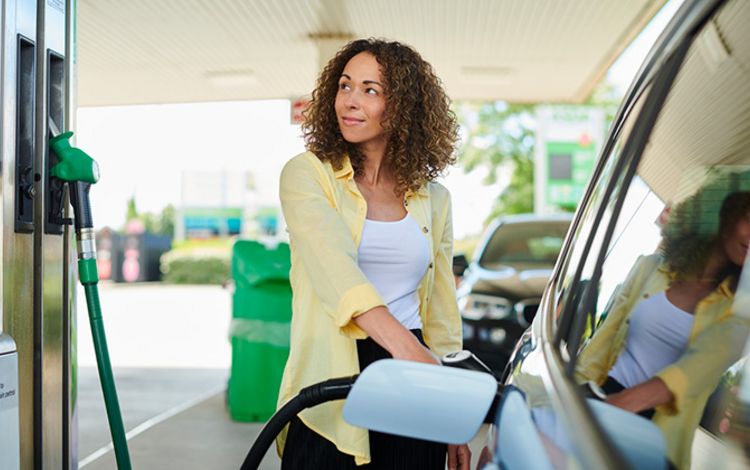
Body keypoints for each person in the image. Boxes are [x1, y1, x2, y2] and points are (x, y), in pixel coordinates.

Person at [276, 38, 470, 469]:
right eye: (345, 86)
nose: (350, 101)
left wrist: (452, 410)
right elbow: (334, 268)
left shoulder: (433, 198)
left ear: (402, 106)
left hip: (413, 380)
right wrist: (410, 352)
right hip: (333, 376)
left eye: (370, 90)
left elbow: (441, 312)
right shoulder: (308, 175)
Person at [575, 190, 750, 469]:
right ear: (724, 217)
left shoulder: (740, 312)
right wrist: (566, 398)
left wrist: (616, 407)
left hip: (654, 436)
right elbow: (600, 345)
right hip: (600, 394)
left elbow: (695, 370)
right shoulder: (649, 269)